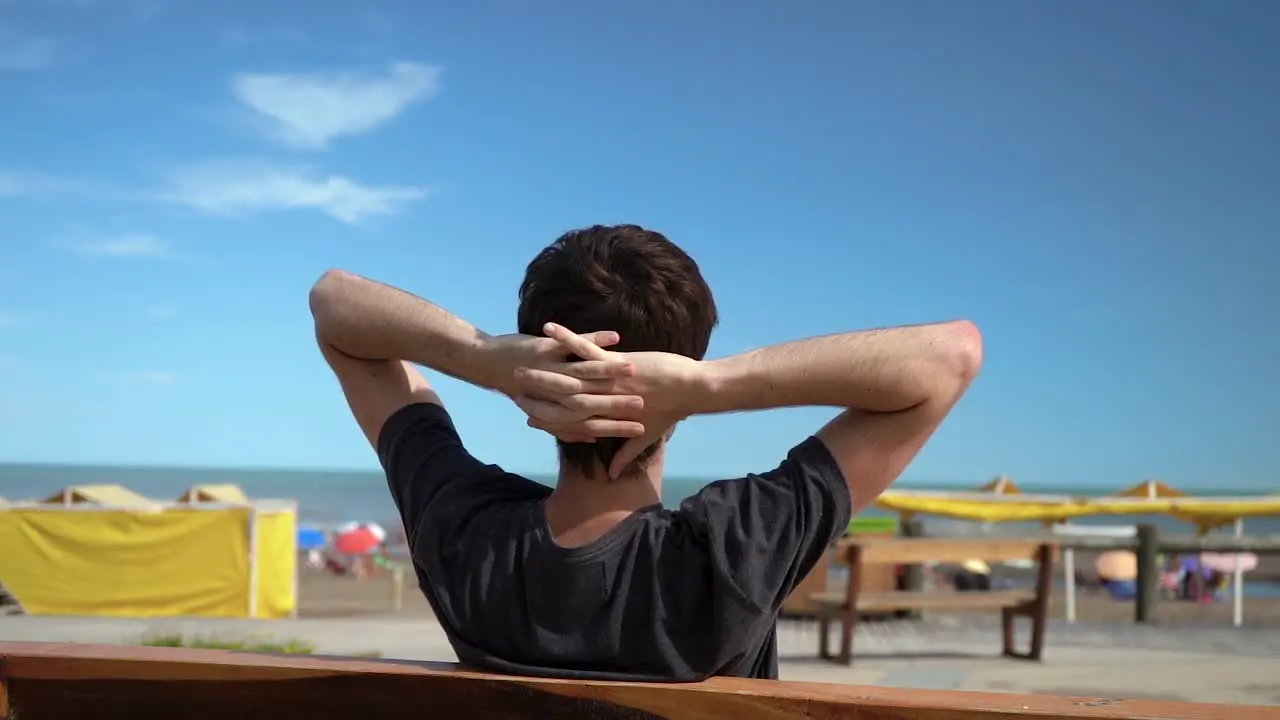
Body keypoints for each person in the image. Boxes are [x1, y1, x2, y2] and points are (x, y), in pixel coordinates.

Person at [310, 224, 982, 681]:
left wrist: (485, 360)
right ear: (677, 372)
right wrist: (711, 386)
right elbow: (950, 357)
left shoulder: (459, 532)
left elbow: (334, 305)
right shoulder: (733, 550)